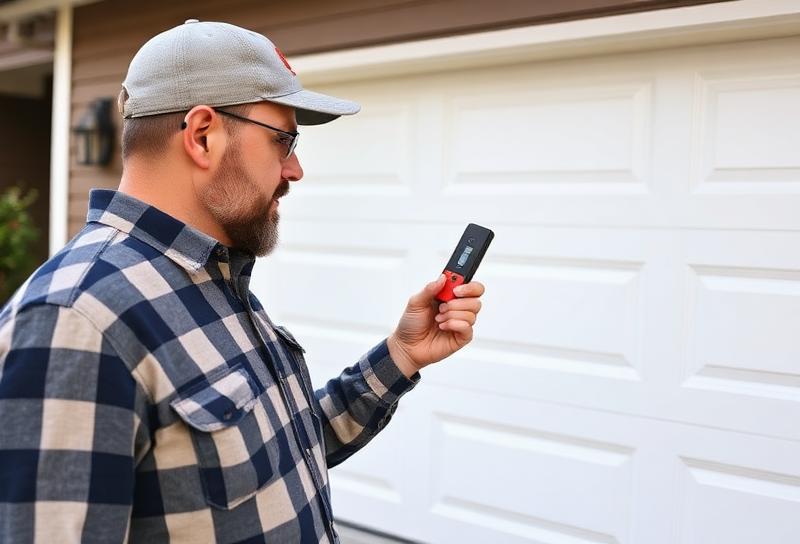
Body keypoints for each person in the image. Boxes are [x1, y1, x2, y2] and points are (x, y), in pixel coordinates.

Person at [0, 19, 485, 543]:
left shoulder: (213, 279)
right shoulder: (77, 321)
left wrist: (402, 355)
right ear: (203, 134)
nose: (295, 169)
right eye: (284, 140)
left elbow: (281, 455)